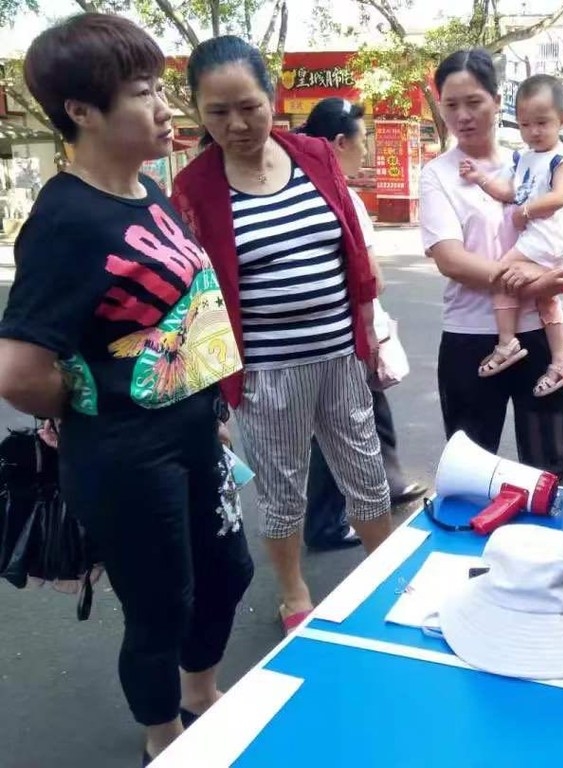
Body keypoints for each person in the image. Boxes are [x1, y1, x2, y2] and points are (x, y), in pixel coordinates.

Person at [0, 14, 254, 763]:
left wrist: (207, 407)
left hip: (194, 431)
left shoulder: (147, 191)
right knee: (161, 605)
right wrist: (92, 409)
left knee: (228, 572)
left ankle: (200, 693)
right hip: (125, 454)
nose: (164, 108)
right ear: (82, 111)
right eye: (144, 93)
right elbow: (19, 370)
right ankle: (163, 739)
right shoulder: (64, 219)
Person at [171, 36, 392, 635]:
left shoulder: (315, 155)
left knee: (366, 473)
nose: (237, 124)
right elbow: (198, 297)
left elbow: (352, 246)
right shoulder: (194, 189)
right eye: (218, 112)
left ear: (272, 96)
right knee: (282, 488)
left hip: (340, 354)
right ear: (198, 112)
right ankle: (293, 591)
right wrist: (213, 387)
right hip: (265, 371)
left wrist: (367, 331)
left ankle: (386, 572)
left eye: (249, 106)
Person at [420, 48, 563, 483]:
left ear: (497, 99)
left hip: (540, 336)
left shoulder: (534, 158)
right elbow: (450, 258)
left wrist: (546, 281)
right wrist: (532, 283)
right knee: (470, 472)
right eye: (451, 105)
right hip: (470, 338)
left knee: (549, 468)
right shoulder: (438, 174)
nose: (463, 115)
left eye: (474, 102)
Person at [293, 97, 426, 550]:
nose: (366, 150)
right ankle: (326, 523)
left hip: (316, 337)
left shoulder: (294, 190)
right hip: (345, 335)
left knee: (361, 416)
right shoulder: (340, 195)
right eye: (362, 140)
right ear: (338, 143)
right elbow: (373, 278)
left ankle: (386, 484)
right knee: (340, 427)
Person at [458, 73, 563, 396]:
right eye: (526, 124)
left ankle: (507, 343)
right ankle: (561, 360)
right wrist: (479, 178)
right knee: (546, 300)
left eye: (542, 123)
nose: (534, 131)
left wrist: (525, 212)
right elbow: (509, 192)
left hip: (547, 238)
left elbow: (561, 195)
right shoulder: (524, 158)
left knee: (501, 276)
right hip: (540, 241)